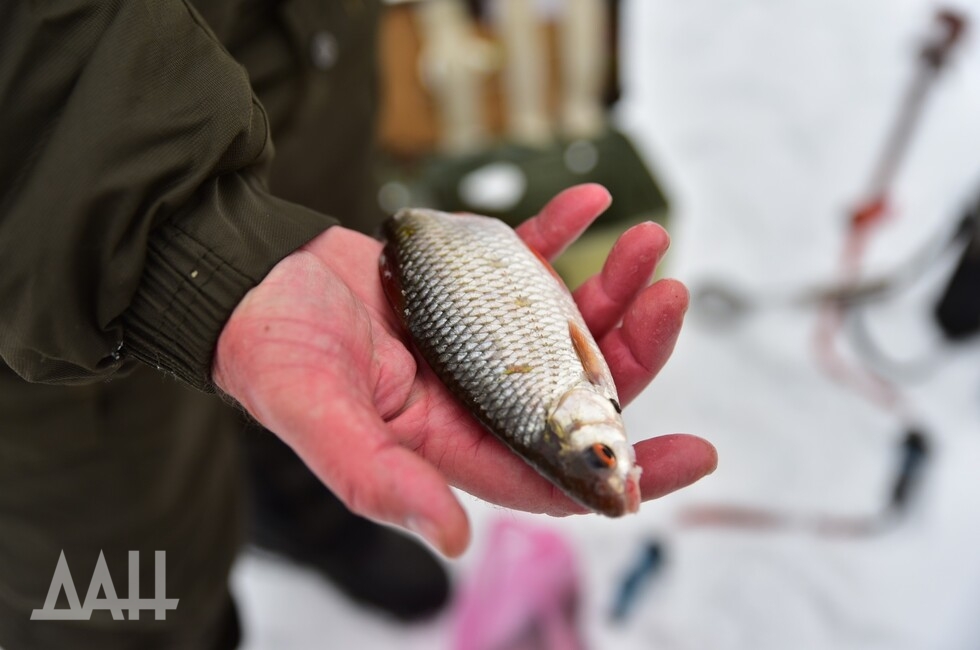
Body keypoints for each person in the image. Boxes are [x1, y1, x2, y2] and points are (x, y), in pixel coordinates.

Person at [0, 1, 717, 649]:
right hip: (39, 267)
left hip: (307, 79)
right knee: (123, 603)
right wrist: (180, 242)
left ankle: (297, 505)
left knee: (340, 379)